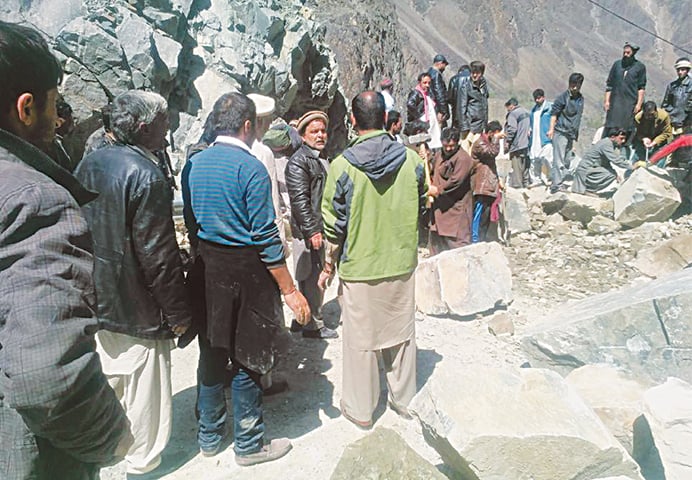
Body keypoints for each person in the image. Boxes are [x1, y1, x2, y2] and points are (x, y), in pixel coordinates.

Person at [0, 21, 130, 480]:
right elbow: (45, 376)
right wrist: (110, 435)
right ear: (26, 107)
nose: (58, 120)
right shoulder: (33, 199)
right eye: (54, 104)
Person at [187, 92, 310, 465]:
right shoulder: (251, 167)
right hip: (246, 272)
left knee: (211, 352)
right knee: (248, 358)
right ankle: (249, 443)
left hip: (207, 269)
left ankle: (208, 437)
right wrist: (290, 290)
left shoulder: (193, 164)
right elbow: (265, 237)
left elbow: (193, 223)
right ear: (247, 126)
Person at [75, 90, 191, 478]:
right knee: (147, 392)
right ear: (144, 127)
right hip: (138, 305)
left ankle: (115, 451)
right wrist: (178, 313)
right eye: (163, 121)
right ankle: (143, 466)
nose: (168, 128)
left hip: (96, 294)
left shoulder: (89, 163)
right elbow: (159, 258)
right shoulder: (146, 173)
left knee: (114, 378)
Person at [320, 91, 429, 429]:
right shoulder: (412, 161)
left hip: (360, 266)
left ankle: (362, 409)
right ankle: (404, 399)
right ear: (385, 119)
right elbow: (423, 202)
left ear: (352, 121)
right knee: (401, 334)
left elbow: (333, 224)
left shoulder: (341, 166)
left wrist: (329, 264)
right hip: (400, 260)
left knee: (362, 341)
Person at [285, 110, 338, 339]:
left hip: (316, 226)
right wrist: (312, 230)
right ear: (303, 135)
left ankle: (302, 318)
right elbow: (300, 200)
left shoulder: (318, 157)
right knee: (312, 275)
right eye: (314, 131)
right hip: (311, 229)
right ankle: (313, 325)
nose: (320, 135)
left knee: (307, 275)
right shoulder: (300, 162)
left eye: (323, 131)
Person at [248, 93, 287, 250]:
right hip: (262, 235)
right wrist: (281, 241)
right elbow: (272, 200)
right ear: (258, 121)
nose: (269, 125)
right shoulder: (263, 152)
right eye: (268, 120)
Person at [429, 127, 475, 253]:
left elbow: (455, 182)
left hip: (456, 210)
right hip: (439, 208)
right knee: (436, 245)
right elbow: (432, 170)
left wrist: (437, 190)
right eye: (445, 146)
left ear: (458, 143)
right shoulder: (439, 154)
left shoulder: (463, 159)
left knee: (458, 248)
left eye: (452, 146)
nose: (448, 149)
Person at [548, 73, 585, 193]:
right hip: (561, 132)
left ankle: (560, 180)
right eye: (573, 84)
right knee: (558, 160)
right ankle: (556, 184)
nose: (575, 87)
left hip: (571, 133)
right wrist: (551, 129)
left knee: (568, 159)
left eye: (577, 84)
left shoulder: (580, 99)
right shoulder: (563, 98)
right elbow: (554, 114)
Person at [604, 42, 646, 139]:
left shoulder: (640, 67)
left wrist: (639, 104)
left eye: (628, 53)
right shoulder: (617, 65)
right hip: (615, 102)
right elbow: (609, 84)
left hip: (630, 102)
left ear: (633, 53)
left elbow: (641, 87)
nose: (625, 55)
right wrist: (606, 101)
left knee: (626, 129)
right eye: (624, 53)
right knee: (612, 127)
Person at [471, 121, 504, 243]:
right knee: (479, 214)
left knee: (486, 215)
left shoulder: (488, 143)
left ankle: (482, 238)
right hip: (481, 184)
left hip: (488, 183)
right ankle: (475, 239)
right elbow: (492, 153)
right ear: (490, 133)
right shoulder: (480, 143)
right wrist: (496, 139)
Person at [572, 128, 632, 195]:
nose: (623, 141)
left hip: (590, 169)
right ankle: (588, 189)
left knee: (612, 174)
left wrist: (615, 173)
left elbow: (605, 163)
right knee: (611, 175)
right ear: (613, 137)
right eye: (621, 138)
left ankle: (587, 189)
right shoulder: (606, 144)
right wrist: (632, 167)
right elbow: (616, 160)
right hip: (586, 169)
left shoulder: (609, 144)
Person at [454, 60, 489, 151]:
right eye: (473, 72)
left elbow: (484, 105)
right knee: (466, 153)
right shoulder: (466, 86)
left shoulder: (483, 87)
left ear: (482, 73)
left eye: (477, 73)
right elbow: (461, 107)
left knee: (476, 154)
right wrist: (465, 126)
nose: (474, 75)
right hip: (470, 126)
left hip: (480, 126)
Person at [407, 72, 441, 149]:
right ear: (419, 83)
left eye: (429, 83)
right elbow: (410, 104)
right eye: (425, 83)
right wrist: (419, 117)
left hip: (430, 122)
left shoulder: (428, 93)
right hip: (423, 123)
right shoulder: (416, 93)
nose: (427, 85)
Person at [504, 97, 531, 188]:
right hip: (526, 143)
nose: (507, 110)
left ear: (511, 106)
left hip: (517, 144)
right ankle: (526, 183)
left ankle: (518, 186)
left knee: (516, 166)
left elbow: (512, 129)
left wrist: (508, 141)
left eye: (507, 108)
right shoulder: (527, 112)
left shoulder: (513, 114)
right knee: (525, 165)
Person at [528, 88, 553, 187]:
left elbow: (555, 120)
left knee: (548, 159)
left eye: (539, 98)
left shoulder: (550, 108)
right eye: (535, 99)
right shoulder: (534, 110)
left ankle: (551, 178)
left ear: (543, 97)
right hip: (535, 138)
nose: (537, 100)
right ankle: (536, 180)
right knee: (534, 159)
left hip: (546, 137)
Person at [661, 57, 692, 136]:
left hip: (687, 123)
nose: (680, 72)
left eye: (682, 70)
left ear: (687, 70)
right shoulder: (672, 86)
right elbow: (665, 104)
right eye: (678, 70)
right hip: (672, 122)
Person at [428, 54, 450, 124]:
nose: (445, 67)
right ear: (440, 63)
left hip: (432, 106)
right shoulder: (436, 75)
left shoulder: (430, 72)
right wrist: (443, 111)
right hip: (437, 109)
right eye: (444, 65)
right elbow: (439, 93)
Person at [447, 64, 471, 128]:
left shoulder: (454, 79)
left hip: (457, 114)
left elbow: (449, 97)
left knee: (457, 133)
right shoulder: (474, 79)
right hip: (472, 114)